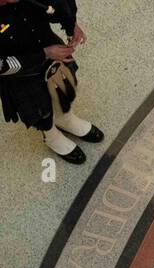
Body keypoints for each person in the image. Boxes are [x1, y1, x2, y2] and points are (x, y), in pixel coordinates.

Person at [0, 0, 102, 165]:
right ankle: (50, 134)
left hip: (51, 50)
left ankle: (65, 118)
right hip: (21, 73)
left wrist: (71, 24)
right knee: (39, 108)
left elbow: (56, 5)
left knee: (63, 90)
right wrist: (45, 54)